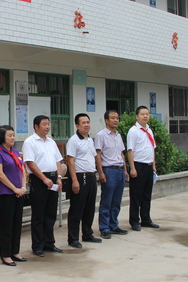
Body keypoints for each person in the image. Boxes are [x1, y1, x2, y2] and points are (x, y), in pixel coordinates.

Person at [22, 115, 64, 257]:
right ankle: (38, 246)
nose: (47, 127)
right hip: (39, 179)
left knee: (51, 213)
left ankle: (49, 243)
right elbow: (30, 163)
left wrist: (59, 177)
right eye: (44, 124)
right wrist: (44, 179)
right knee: (38, 214)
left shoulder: (51, 142)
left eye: (48, 124)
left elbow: (58, 160)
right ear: (36, 126)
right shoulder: (30, 142)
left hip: (53, 178)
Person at [0, 125, 27, 266]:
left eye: (13, 135)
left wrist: (23, 187)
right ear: (2, 137)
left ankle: (15, 251)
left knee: (17, 224)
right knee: (6, 225)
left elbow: (22, 169)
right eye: (9, 135)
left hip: (19, 193)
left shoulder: (15, 152)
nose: (12, 138)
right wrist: (14, 189)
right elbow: (0, 174)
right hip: (6, 194)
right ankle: (5, 254)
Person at [65, 113, 102, 248]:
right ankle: (73, 238)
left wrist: (98, 174)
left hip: (91, 176)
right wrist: (75, 181)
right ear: (77, 125)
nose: (86, 125)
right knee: (77, 209)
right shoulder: (74, 140)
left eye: (88, 122)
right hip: (80, 177)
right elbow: (70, 161)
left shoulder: (89, 139)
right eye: (83, 123)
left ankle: (87, 234)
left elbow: (94, 157)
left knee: (89, 208)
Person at [94, 110, 130, 239]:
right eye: (113, 118)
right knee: (107, 201)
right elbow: (98, 155)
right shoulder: (101, 135)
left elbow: (121, 154)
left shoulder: (118, 135)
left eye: (117, 118)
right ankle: (104, 228)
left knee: (116, 201)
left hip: (120, 170)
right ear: (106, 120)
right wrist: (101, 172)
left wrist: (125, 170)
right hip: (109, 170)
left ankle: (113, 225)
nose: (115, 120)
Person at [127, 106, 160, 231]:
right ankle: (134, 221)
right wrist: (132, 168)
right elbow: (130, 151)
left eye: (147, 114)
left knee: (147, 195)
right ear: (137, 116)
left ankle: (146, 219)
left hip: (148, 166)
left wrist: (153, 165)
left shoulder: (149, 130)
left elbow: (152, 149)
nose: (145, 116)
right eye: (142, 114)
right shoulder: (133, 131)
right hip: (138, 166)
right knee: (136, 196)